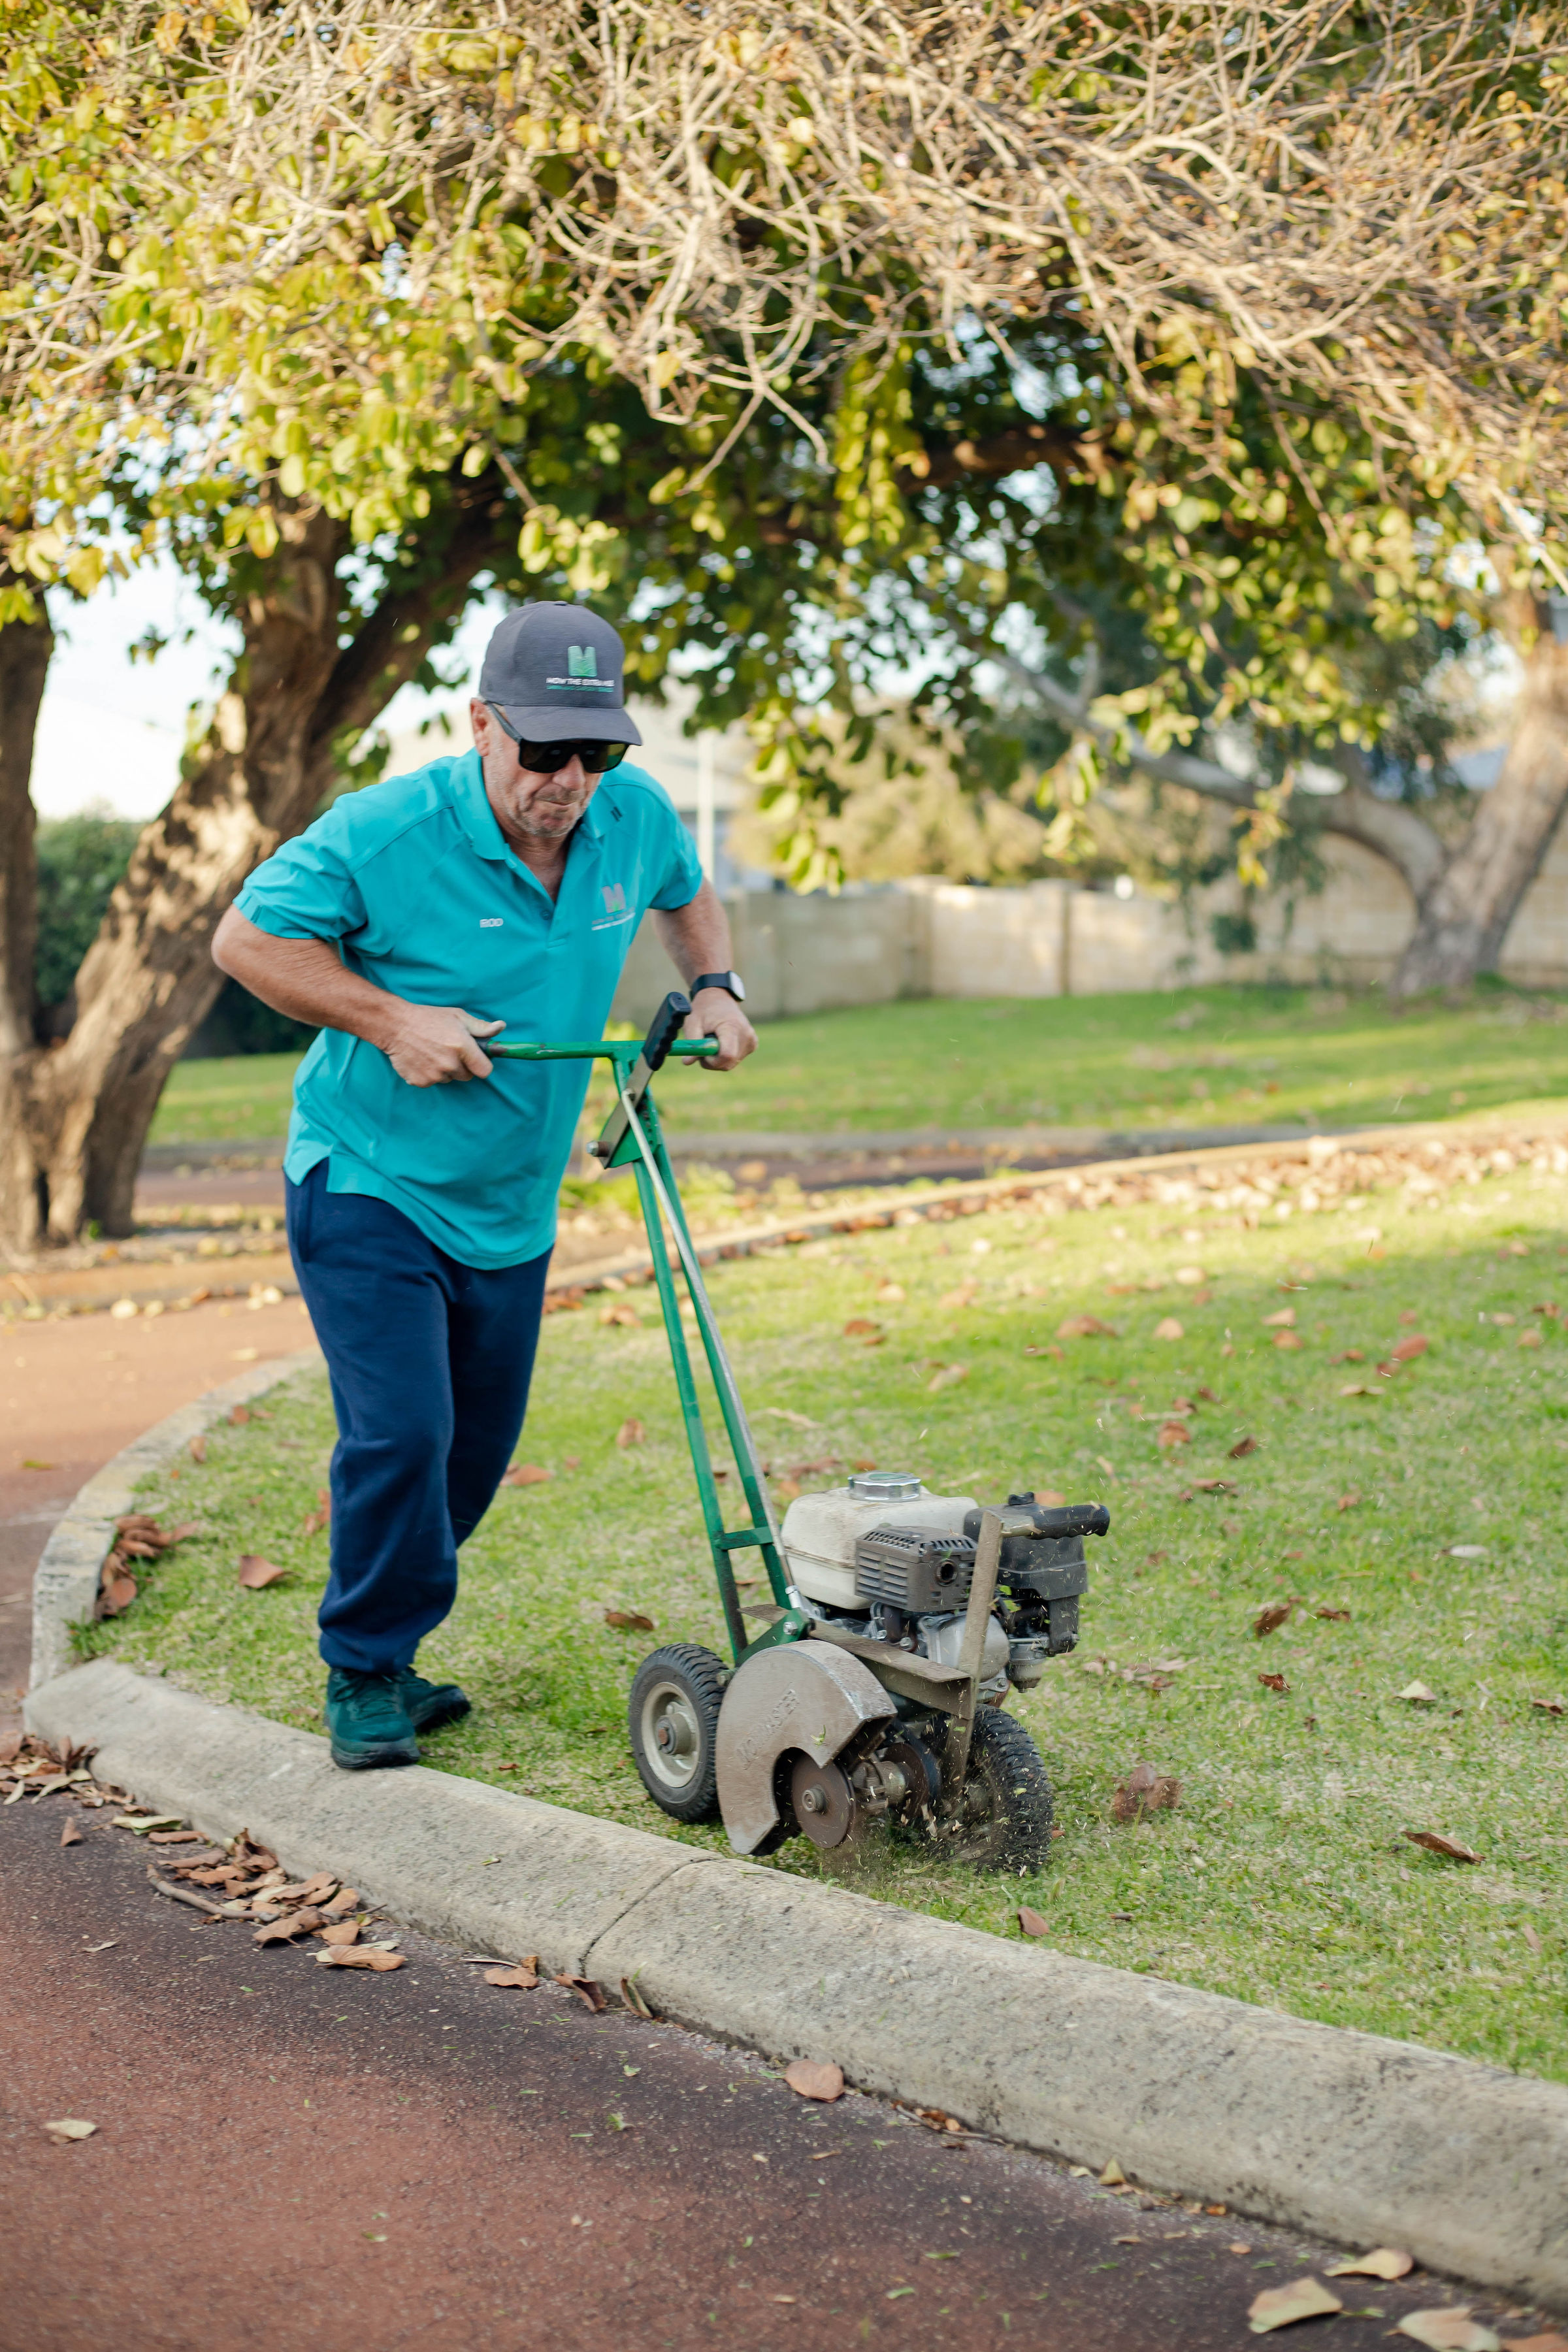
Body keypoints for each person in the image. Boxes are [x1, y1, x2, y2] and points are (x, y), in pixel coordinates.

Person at [211, 602, 756, 1769]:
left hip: (511, 1205)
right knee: (404, 1432)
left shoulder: (631, 818)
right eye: (544, 749)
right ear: (481, 725)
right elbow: (247, 942)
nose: (569, 781)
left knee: (471, 1456)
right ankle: (362, 1668)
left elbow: (685, 890)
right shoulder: (387, 829)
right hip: (370, 1179)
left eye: (595, 752)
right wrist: (391, 1019)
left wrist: (718, 986)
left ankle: (395, 1646)